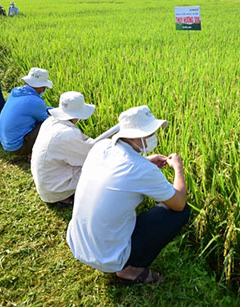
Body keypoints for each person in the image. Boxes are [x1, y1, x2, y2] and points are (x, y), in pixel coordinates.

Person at [67, 105, 189, 285]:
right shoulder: (141, 169)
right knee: (181, 212)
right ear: (137, 136)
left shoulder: (101, 146)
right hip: (107, 257)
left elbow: (116, 171)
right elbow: (178, 202)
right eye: (150, 133)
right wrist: (178, 168)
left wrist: (146, 160)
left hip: (78, 243)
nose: (153, 136)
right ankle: (130, 269)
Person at [31, 91, 95, 206]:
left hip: (46, 182)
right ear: (77, 114)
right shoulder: (68, 134)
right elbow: (90, 156)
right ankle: (64, 197)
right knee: (97, 167)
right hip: (55, 189)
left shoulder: (50, 121)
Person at [0, 67, 54, 155]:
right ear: (40, 87)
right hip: (18, 146)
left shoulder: (16, 92)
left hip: (6, 141)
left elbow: (32, 108)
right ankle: (33, 152)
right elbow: (45, 120)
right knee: (51, 125)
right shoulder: (36, 101)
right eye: (44, 87)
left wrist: (51, 110)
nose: (43, 90)